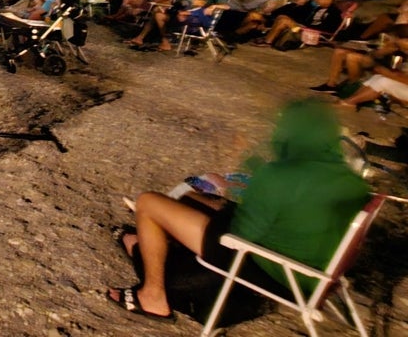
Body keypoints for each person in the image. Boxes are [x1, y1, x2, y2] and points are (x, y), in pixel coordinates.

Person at [107, 99, 369, 321]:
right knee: (193, 201)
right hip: (317, 274)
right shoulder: (348, 179)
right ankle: (152, 239)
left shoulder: (280, 175)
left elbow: (243, 232)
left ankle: (153, 296)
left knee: (149, 202)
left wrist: (224, 208)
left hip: (271, 268)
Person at [309, 25, 408, 94]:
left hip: (391, 70)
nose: (394, 39)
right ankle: (330, 85)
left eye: (396, 38)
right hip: (381, 62)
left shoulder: (402, 46)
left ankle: (352, 87)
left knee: (352, 57)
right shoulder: (395, 45)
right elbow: (374, 55)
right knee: (340, 52)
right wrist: (383, 51)